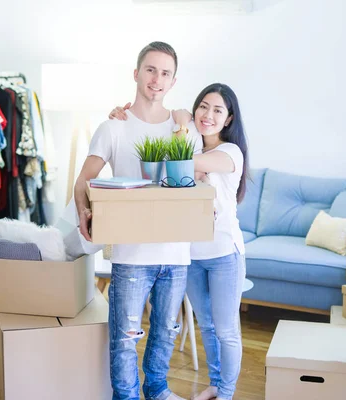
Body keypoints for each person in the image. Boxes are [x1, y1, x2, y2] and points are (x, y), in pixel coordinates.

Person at [74, 41, 202, 400]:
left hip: (176, 254)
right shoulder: (114, 126)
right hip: (132, 256)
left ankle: (158, 390)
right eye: (150, 70)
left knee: (166, 332)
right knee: (124, 340)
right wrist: (84, 210)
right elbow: (83, 179)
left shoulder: (184, 130)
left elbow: (199, 182)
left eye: (165, 73)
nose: (156, 79)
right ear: (136, 73)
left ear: (173, 81)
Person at [109, 83, 249, 400]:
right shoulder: (191, 141)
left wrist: (182, 123)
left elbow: (182, 164)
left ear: (228, 119)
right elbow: (163, 153)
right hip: (191, 255)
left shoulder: (230, 152)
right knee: (208, 327)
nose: (208, 115)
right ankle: (215, 385)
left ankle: (225, 394)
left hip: (225, 254)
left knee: (227, 330)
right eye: (203, 106)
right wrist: (124, 115)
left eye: (217, 110)